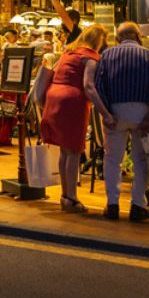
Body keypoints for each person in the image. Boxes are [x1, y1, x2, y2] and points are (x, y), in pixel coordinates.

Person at [91, 22, 149, 222]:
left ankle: (112, 205)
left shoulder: (106, 56)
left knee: (113, 159)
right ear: (138, 37)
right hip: (143, 111)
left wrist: (107, 113)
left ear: (118, 38)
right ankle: (138, 206)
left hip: (115, 111)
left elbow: (99, 86)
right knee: (141, 160)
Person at [40, 24, 109, 216]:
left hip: (54, 98)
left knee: (64, 151)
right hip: (72, 102)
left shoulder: (69, 53)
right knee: (74, 151)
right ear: (99, 40)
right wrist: (105, 112)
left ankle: (65, 195)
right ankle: (72, 197)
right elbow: (89, 86)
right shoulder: (90, 57)